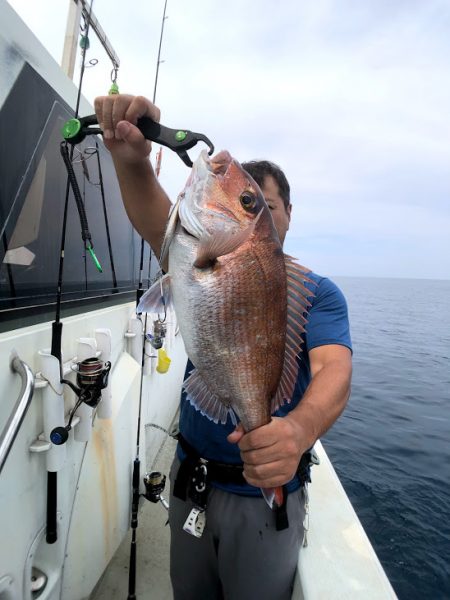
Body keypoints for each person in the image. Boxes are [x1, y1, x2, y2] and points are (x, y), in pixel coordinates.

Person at [94, 94, 353, 600]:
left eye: (262, 205)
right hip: (191, 481)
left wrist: (297, 430)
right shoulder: (198, 247)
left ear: (289, 213)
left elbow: (335, 373)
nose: (261, 217)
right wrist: (132, 159)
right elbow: (157, 218)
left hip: (261, 497)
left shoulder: (319, 293)